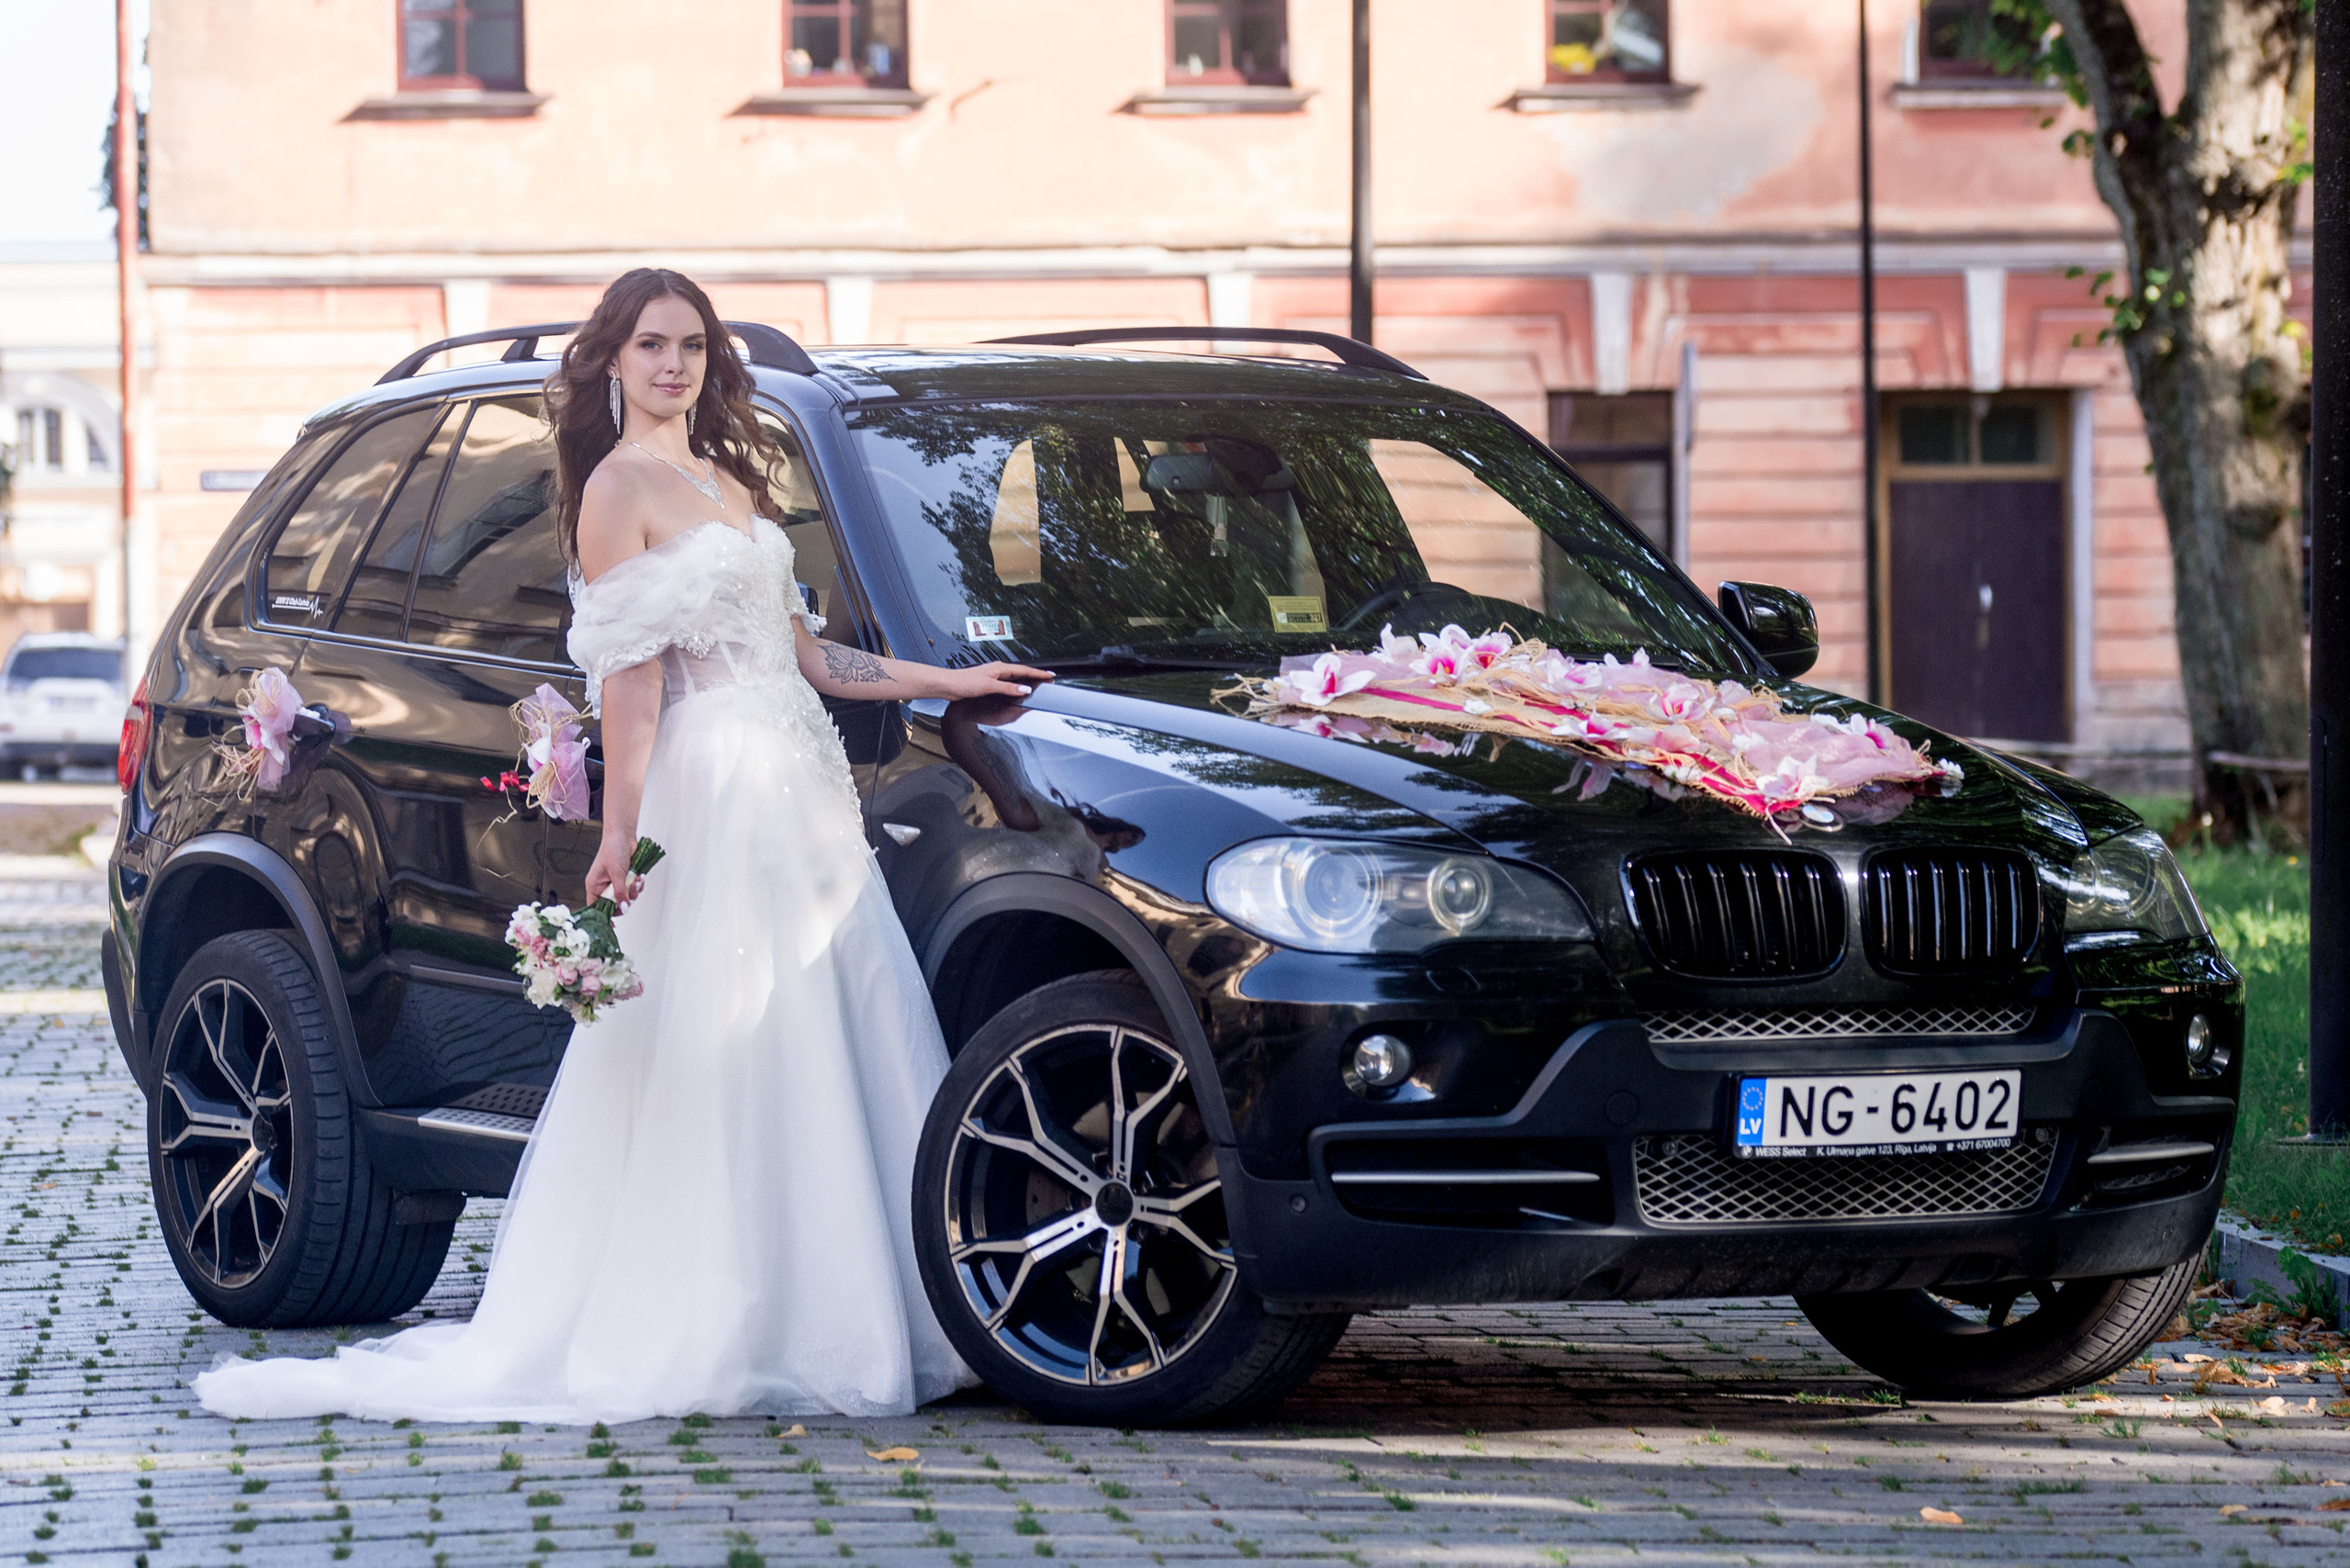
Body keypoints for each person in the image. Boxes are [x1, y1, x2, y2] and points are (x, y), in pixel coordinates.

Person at [191, 267, 1053, 1423]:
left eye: (691, 345)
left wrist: (947, 676)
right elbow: (633, 682)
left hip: (797, 785)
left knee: (830, 1026)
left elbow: (809, 655)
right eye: (650, 344)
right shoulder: (616, 488)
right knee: (717, 1044)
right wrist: (622, 834)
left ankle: (868, 1304)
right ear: (611, 360)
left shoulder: (735, 478)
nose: (672, 364)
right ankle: (723, 1321)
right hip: (712, 788)